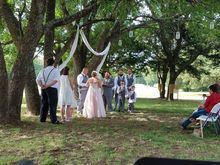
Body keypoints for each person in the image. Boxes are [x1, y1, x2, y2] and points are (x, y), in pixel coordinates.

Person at [36, 58, 60, 124]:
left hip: (43, 89)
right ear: (53, 63)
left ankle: (42, 119)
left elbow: (37, 80)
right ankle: (53, 120)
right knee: (52, 104)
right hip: (52, 89)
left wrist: (42, 86)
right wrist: (47, 85)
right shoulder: (55, 70)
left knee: (44, 103)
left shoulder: (42, 70)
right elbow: (55, 80)